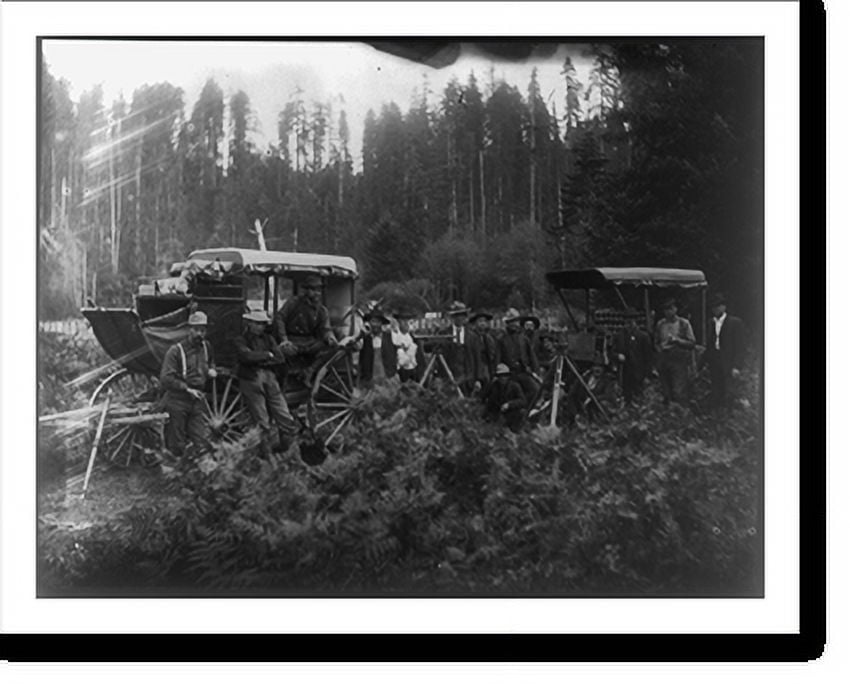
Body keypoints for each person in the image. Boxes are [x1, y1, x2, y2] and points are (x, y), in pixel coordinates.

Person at [236, 310, 296, 456]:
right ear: (249, 323)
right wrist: (267, 355)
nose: (260, 327)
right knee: (262, 421)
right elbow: (245, 356)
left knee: (284, 415)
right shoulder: (240, 340)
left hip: (269, 377)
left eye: (262, 324)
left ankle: (283, 450)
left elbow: (279, 358)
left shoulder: (269, 339)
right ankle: (266, 455)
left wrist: (259, 357)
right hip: (251, 379)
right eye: (257, 323)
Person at [160, 311, 217, 458]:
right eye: (196, 330)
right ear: (188, 329)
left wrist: (211, 369)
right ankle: (173, 474)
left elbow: (210, 362)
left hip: (198, 401)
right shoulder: (176, 351)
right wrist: (186, 389)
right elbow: (166, 378)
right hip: (178, 400)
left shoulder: (207, 347)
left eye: (203, 330)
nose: (200, 334)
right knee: (177, 445)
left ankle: (199, 474)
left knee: (202, 441)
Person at [274, 273, 338, 384]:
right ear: (306, 291)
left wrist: (330, 337)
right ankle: (282, 385)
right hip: (292, 340)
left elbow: (326, 328)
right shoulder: (293, 303)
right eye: (313, 290)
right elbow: (280, 318)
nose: (317, 293)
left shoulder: (322, 311)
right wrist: (284, 339)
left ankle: (309, 371)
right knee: (281, 353)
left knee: (334, 349)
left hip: (309, 343)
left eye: (318, 290)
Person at [704, 293, 745, 409]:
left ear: (724, 307)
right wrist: (704, 361)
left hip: (729, 361)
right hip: (715, 361)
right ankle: (716, 416)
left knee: (729, 391)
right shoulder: (711, 323)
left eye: (718, 306)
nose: (715, 309)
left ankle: (729, 417)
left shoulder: (735, 323)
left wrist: (737, 366)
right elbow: (710, 344)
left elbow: (740, 346)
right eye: (713, 307)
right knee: (716, 389)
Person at [654, 298, 696, 404]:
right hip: (664, 359)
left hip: (678, 359)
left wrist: (678, 341)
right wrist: (659, 350)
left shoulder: (684, 323)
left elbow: (692, 343)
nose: (668, 312)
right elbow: (656, 342)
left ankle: (681, 414)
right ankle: (668, 415)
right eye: (666, 309)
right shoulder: (660, 324)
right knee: (666, 392)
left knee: (679, 391)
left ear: (675, 309)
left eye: (670, 309)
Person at [495, 308, 540, 406]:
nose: (514, 324)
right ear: (507, 323)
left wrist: (536, 371)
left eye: (516, 321)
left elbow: (532, 356)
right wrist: (498, 374)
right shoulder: (501, 339)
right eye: (511, 322)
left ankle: (530, 412)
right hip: (509, 375)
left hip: (523, 372)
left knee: (536, 390)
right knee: (513, 394)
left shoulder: (523, 338)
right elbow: (497, 359)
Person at [613, 310, 654, 403]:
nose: (628, 324)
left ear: (635, 321)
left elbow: (649, 357)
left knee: (639, 399)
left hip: (639, 373)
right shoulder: (619, 336)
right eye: (626, 321)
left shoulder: (643, 336)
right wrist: (617, 356)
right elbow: (612, 352)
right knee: (625, 398)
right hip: (624, 373)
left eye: (631, 321)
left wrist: (648, 375)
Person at [563, 359, 617, 427]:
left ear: (604, 369)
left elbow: (608, 395)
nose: (597, 369)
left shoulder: (608, 381)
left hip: (596, 409)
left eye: (600, 367)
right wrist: (575, 413)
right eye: (595, 366)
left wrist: (592, 399)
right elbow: (572, 395)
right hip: (581, 410)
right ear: (592, 368)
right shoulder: (583, 379)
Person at [439, 301, 476, 394]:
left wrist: (477, 379)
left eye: (462, 315)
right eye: (457, 316)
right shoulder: (444, 334)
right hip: (449, 378)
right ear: (453, 317)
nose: (460, 318)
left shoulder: (472, 336)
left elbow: (477, 358)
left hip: (468, 379)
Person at [357, 308, 397, 388]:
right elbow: (361, 360)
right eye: (373, 321)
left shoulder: (390, 337)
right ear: (369, 323)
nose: (375, 325)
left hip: (387, 378)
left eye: (377, 322)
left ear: (381, 323)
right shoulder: (365, 340)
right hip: (370, 380)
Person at [481, 363, 527, 433]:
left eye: (504, 375)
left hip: (511, 414)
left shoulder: (515, 386)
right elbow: (483, 398)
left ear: (508, 376)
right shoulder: (493, 386)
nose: (502, 378)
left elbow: (523, 401)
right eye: (500, 376)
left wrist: (509, 405)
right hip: (496, 414)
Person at [391, 310, 426, 383]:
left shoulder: (413, 339)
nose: (406, 323)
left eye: (408, 320)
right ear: (398, 322)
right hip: (399, 373)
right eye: (403, 320)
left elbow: (420, 360)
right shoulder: (393, 337)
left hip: (414, 374)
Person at [468, 311, 497, 393]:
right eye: (480, 321)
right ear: (475, 323)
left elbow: (493, 355)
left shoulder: (489, 338)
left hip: (487, 367)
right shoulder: (471, 337)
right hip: (475, 367)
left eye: (484, 321)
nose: (483, 324)